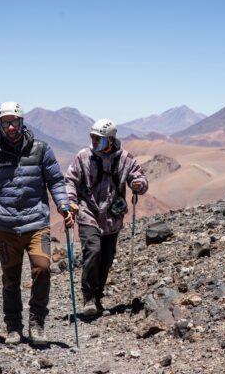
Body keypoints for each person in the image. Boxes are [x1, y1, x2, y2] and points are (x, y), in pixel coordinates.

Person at [0, 101, 73, 345]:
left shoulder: (41, 150)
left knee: (43, 269)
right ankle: (14, 327)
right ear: (0, 125)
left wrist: (63, 205)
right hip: (6, 228)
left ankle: (37, 322)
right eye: (5, 123)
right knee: (10, 278)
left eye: (14, 122)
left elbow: (56, 181)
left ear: (21, 122)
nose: (10, 127)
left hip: (39, 224)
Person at [65, 118, 148, 315]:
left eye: (99, 139)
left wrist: (138, 184)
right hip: (88, 212)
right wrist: (70, 201)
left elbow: (139, 177)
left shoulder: (125, 159)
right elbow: (70, 180)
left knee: (107, 257)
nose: (94, 142)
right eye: (92, 138)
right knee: (93, 251)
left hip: (112, 216)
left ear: (110, 140)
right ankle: (88, 296)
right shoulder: (83, 157)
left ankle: (97, 295)